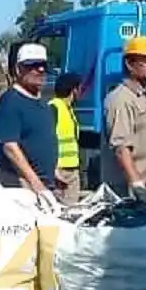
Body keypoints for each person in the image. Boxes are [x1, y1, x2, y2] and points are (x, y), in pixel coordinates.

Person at [101, 35, 146, 205]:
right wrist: (137, 184)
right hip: (132, 189)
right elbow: (121, 147)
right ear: (129, 63)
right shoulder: (120, 99)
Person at [0, 42, 60, 214]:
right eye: (32, 66)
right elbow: (10, 147)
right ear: (18, 69)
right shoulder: (11, 101)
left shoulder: (43, 103)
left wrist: (54, 172)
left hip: (44, 183)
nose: (40, 70)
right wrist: (36, 184)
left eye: (43, 65)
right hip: (21, 184)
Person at [48, 73, 84, 204]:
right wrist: (53, 169)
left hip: (72, 170)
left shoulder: (69, 110)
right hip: (59, 171)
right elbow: (47, 140)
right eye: (80, 88)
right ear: (74, 89)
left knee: (72, 210)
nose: (81, 92)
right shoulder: (54, 107)